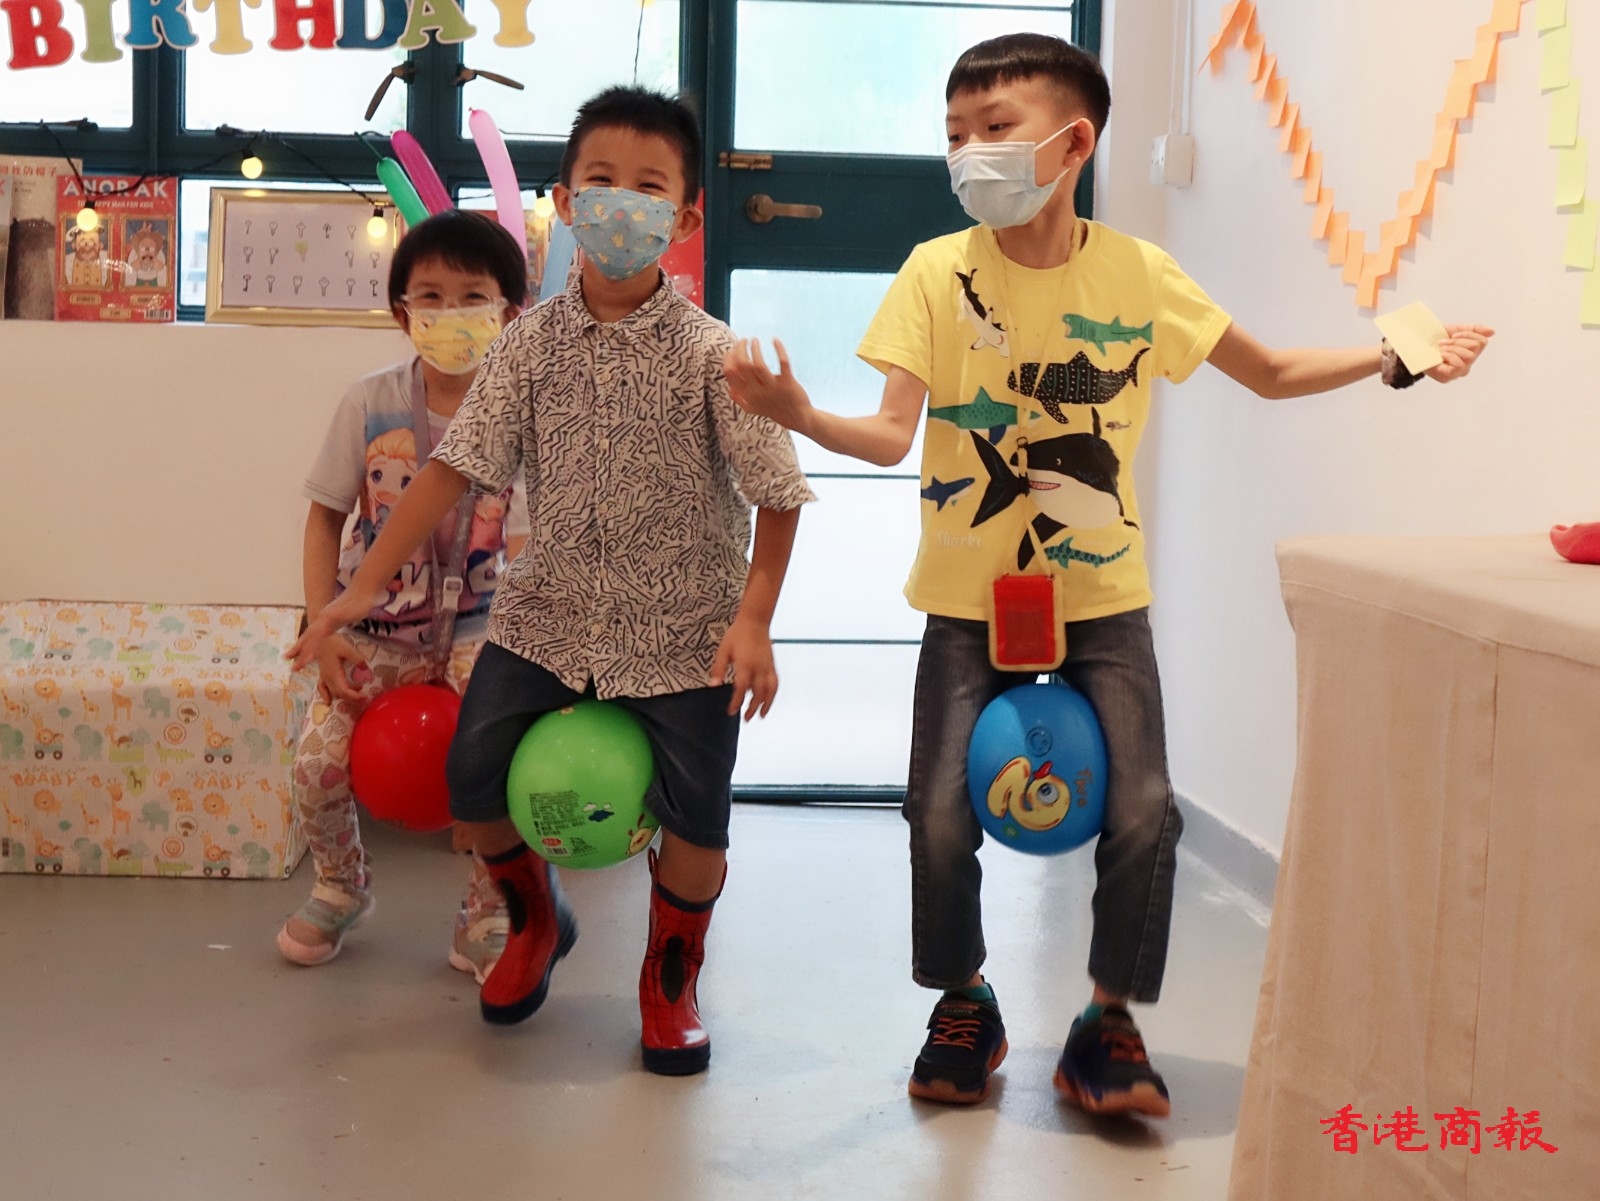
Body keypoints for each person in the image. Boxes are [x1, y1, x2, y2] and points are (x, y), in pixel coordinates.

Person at [723, 32, 1493, 1116]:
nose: (969, 154)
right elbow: (891, 435)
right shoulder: (935, 273)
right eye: (955, 135)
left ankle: (1106, 1022)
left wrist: (1392, 353)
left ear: (1073, 143)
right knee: (935, 812)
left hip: (1101, 597)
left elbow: (1269, 371)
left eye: (996, 130)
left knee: (1143, 806)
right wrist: (802, 415)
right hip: (965, 600)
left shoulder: (1138, 275)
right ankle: (964, 1000)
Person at [289, 86, 815, 1076]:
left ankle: (670, 979)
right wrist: (357, 591)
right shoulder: (526, 346)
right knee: (472, 776)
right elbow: (449, 471)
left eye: (648, 187)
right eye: (601, 181)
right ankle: (533, 917)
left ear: (685, 217)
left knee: (697, 812)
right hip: (547, 620)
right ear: (566, 203)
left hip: (685, 628)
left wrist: (754, 620)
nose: (622, 203)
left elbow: (777, 492)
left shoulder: (717, 355)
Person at [279, 209, 531, 984]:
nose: (451, 313)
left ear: (508, 312)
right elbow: (325, 518)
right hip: (377, 633)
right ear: (402, 313)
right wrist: (324, 627)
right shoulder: (369, 402)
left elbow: (536, 543)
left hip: (482, 633)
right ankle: (341, 886)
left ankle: (488, 909)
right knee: (316, 765)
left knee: (509, 769)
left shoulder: (526, 412)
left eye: (472, 296)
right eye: (431, 296)